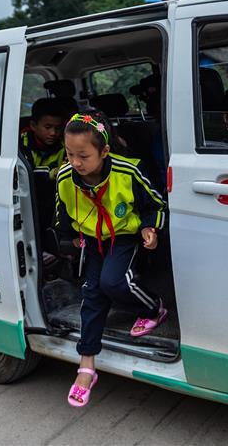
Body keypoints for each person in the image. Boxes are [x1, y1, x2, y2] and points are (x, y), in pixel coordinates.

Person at [55, 112, 167, 407]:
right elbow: (62, 215)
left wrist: (149, 227)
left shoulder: (129, 172)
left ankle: (154, 309)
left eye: (83, 155)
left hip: (124, 237)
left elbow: (155, 202)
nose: (75, 162)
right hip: (92, 241)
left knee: (113, 282)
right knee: (92, 295)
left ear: (104, 152)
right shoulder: (66, 178)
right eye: (69, 153)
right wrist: (70, 238)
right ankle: (86, 366)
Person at [20, 97, 66, 178]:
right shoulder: (21, 144)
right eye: (48, 127)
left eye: (58, 128)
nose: (53, 133)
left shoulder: (65, 145)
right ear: (33, 126)